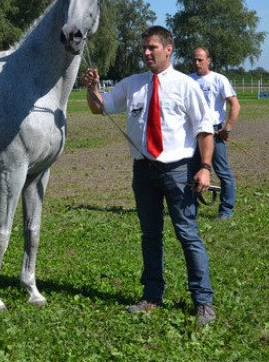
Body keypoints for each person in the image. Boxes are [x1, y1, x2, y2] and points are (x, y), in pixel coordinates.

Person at [82, 26, 216, 325]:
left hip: (178, 171)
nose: (146, 52)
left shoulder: (186, 86)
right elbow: (99, 109)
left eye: (152, 47)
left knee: (188, 235)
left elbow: (204, 130)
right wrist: (92, 89)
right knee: (150, 236)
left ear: (168, 49)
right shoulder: (132, 84)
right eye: (144, 47)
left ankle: (203, 300)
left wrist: (205, 168)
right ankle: (152, 296)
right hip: (143, 172)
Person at [190, 47, 241, 220]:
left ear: (208, 60)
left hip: (214, 132)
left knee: (223, 173)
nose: (197, 63)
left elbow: (235, 105)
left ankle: (226, 210)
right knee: (191, 172)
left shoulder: (219, 80)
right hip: (193, 133)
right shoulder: (188, 80)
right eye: (195, 60)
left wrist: (227, 128)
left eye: (200, 59)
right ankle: (191, 208)